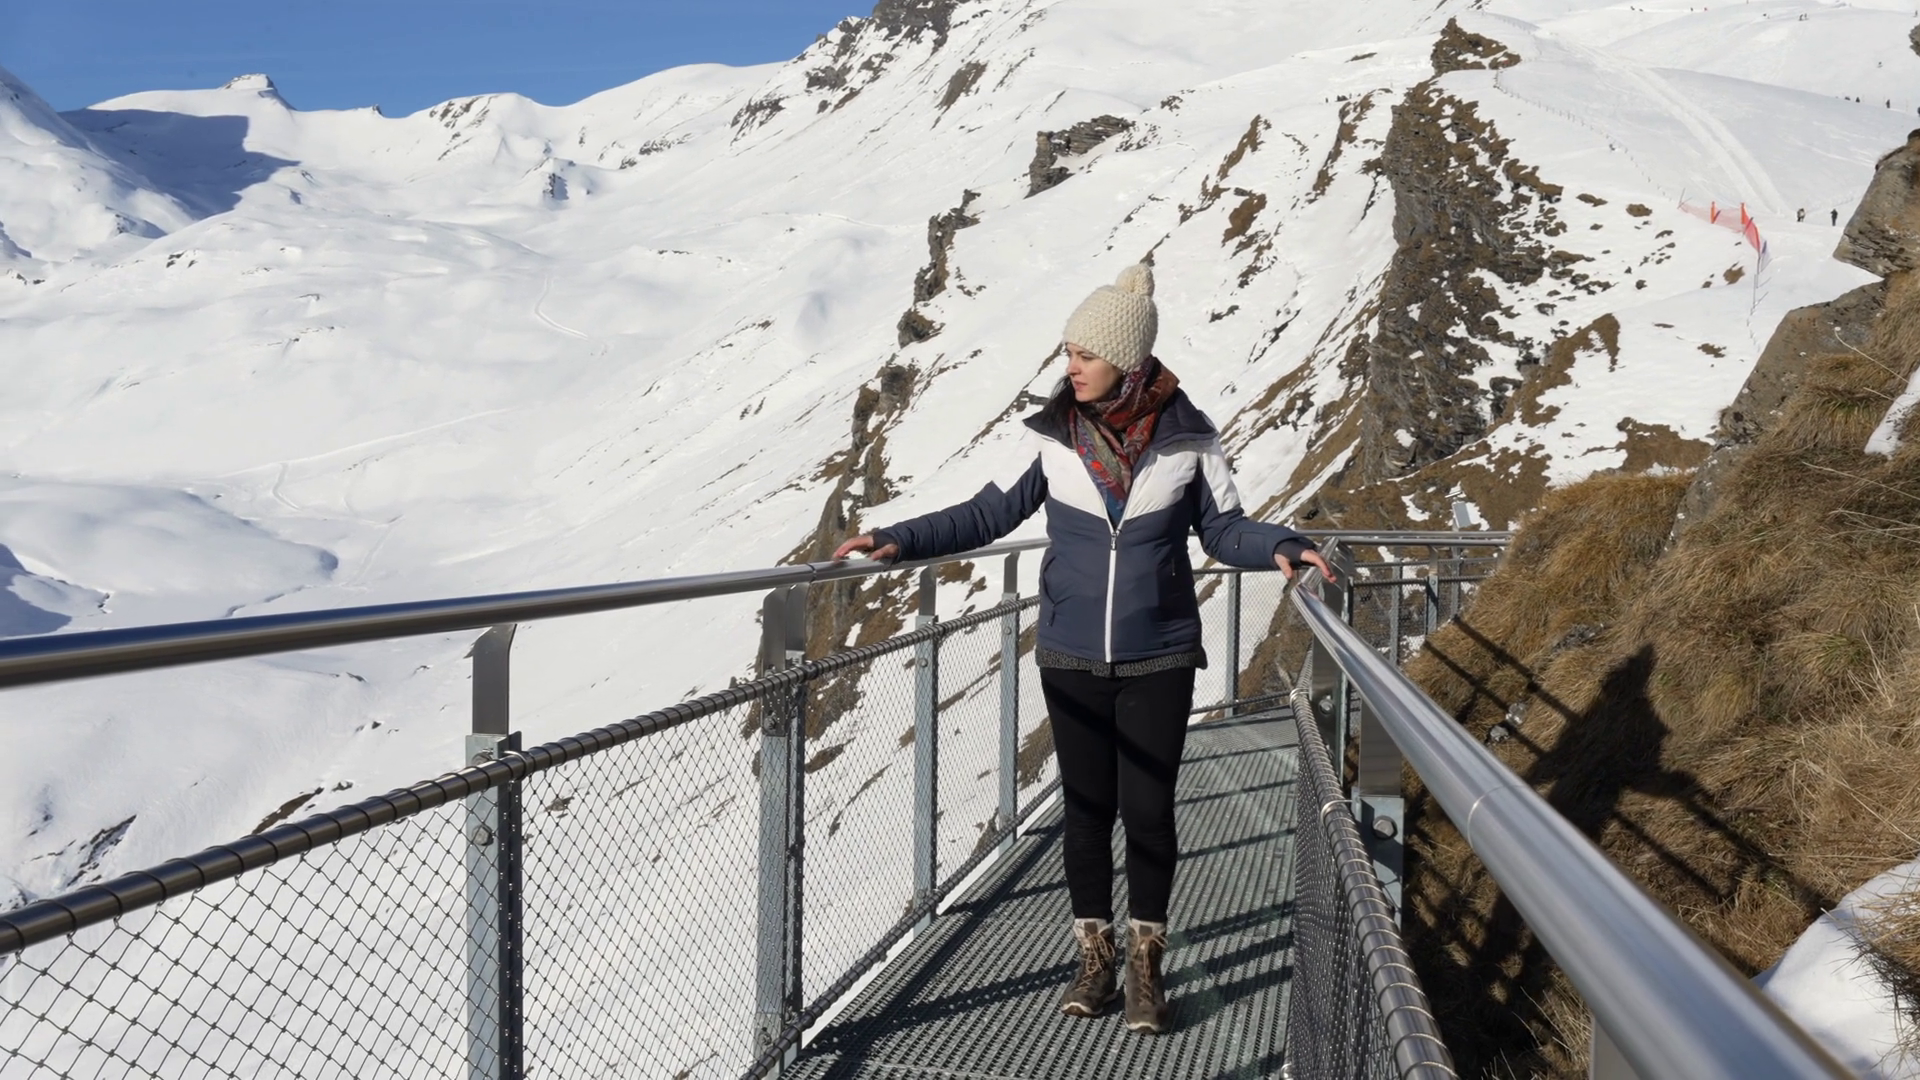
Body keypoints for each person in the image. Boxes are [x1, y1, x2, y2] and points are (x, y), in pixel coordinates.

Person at [834, 263, 1332, 1034]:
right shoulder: (1051, 438)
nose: (1071, 366)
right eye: (1068, 351)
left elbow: (1224, 528)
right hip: (1069, 655)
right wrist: (901, 538)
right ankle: (1094, 961)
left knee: (1148, 813)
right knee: (1087, 812)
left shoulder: (1190, 440)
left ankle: (1146, 968)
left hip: (1159, 655)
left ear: (1127, 363)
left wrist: (1280, 544)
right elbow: (987, 514)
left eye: (1085, 354)